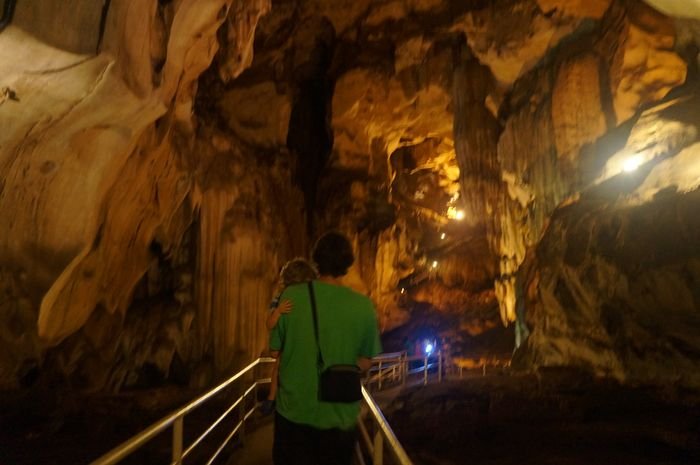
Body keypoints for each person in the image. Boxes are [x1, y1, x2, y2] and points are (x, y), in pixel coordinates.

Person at [270, 232, 382, 465]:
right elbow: (366, 361)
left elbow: (276, 348)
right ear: (348, 264)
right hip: (339, 416)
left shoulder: (290, 297)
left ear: (316, 261)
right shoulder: (363, 306)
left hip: (293, 414)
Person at [261, 258, 319, 415]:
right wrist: (278, 311)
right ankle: (271, 398)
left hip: (285, 348)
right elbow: (270, 323)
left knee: (279, 368)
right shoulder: (281, 300)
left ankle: (272, 399)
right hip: (290, 349)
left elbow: (275, 347)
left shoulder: (286, 297)